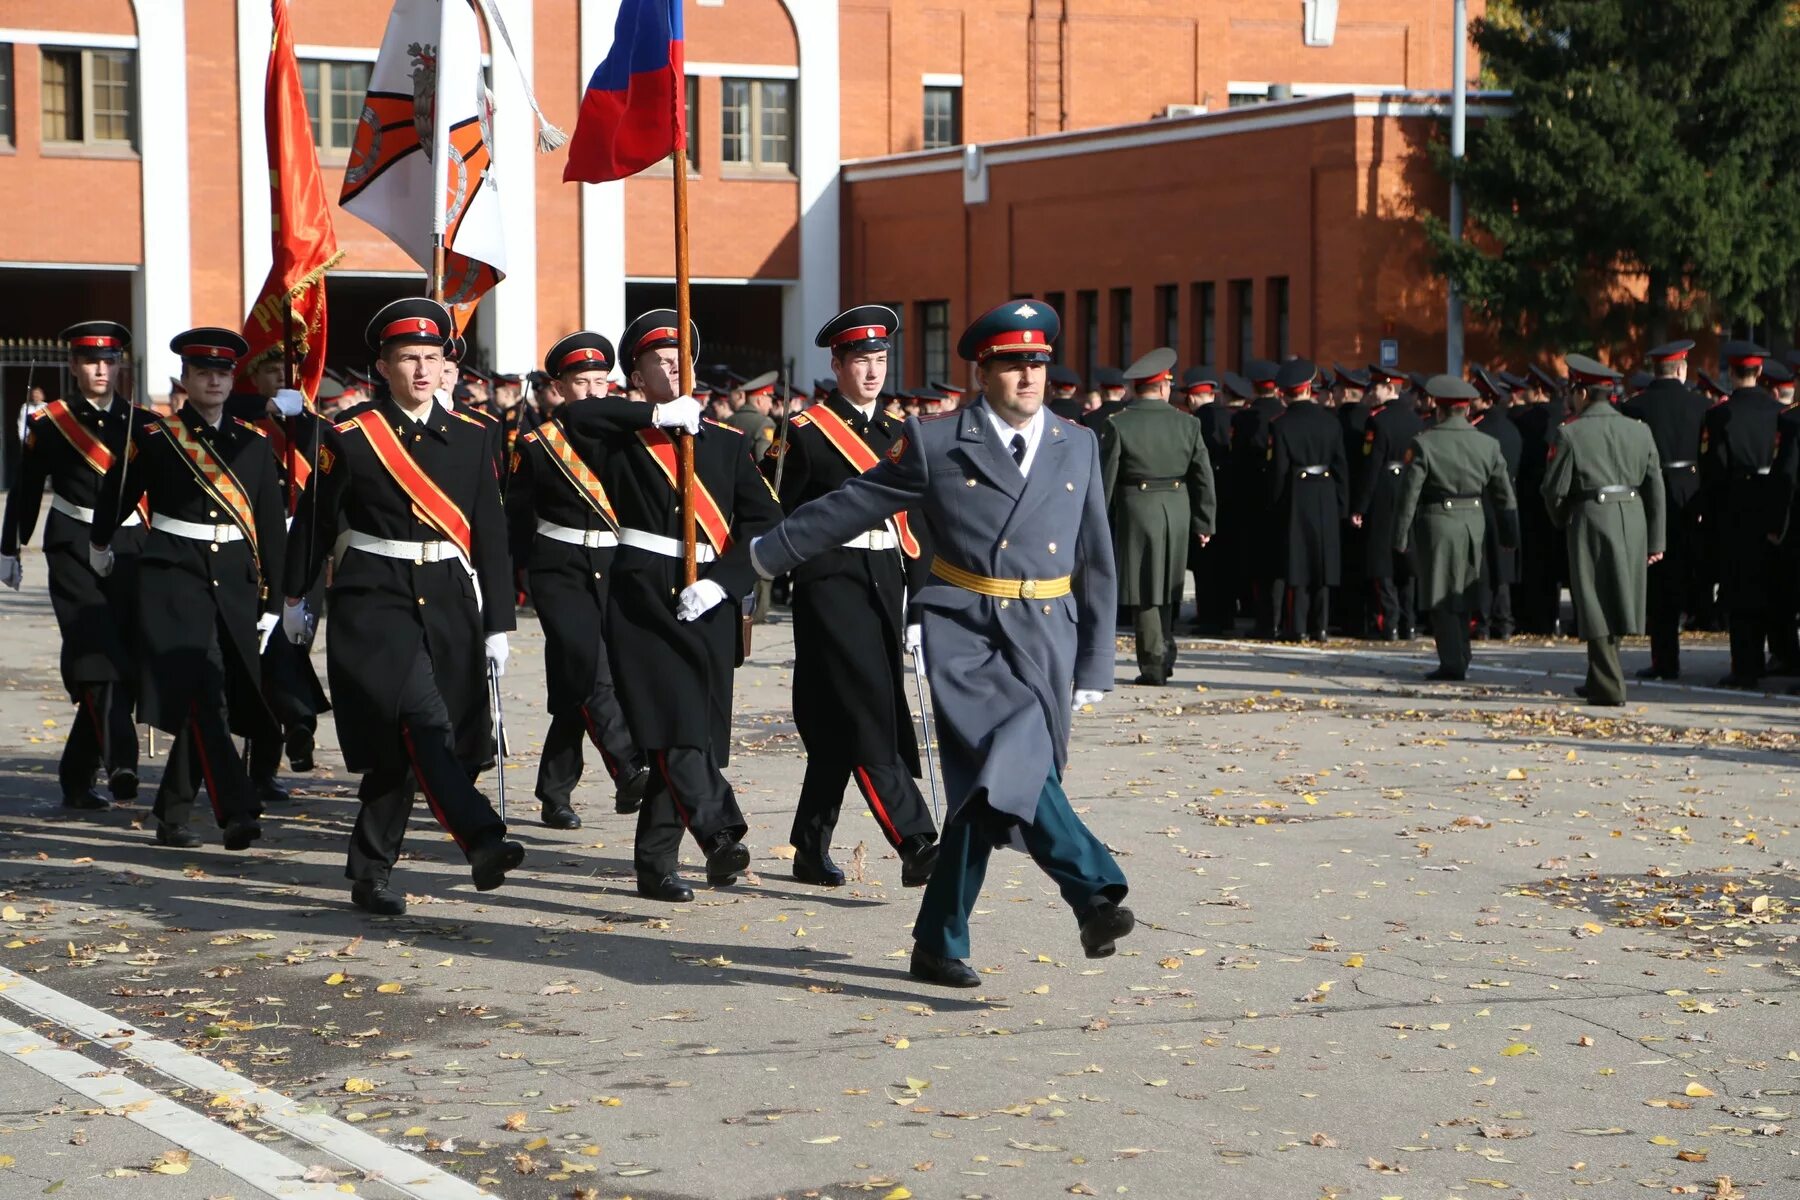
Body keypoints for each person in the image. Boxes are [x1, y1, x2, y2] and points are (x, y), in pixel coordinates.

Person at [750, 298, 1131, 989]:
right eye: (1012, 365)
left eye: (1037, 364)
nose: (1027, 378)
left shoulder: (1078, 443)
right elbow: (849, 503)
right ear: (981, 371)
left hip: (1046, 632)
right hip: (970, 632)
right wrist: (761, 556)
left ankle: (937, 939)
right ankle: (1094, 889)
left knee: (988, 795)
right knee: (1013, 758)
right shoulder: (935, 440)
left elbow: (1096, 555)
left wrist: (1096, 658)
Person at [283, 298, 524, 915]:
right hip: (374, 599)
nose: (422, 370)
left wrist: (499, 620)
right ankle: (483, 837)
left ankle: (369, 872)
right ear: (383, 367)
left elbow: (490, 532)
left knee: (407, 749)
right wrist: (291, 596)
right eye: (408, 358)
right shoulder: (350, 435)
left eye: (432, 358)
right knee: (423, 721)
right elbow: (313, 521)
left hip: (447, 599)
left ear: (448, 366)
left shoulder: (475, 435)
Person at [557, 310, 783, 902]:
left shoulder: (729, 444)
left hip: (707, 593)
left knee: (688, 733)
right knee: (673, 721)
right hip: (641, 594)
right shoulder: (623, 437)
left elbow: (766, 521)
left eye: (681, 358)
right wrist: (655, 415)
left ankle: (655, 864)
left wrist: (728, 581)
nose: (672, 368)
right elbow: (571, 413)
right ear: (635, 373)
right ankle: (720, 834)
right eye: (658, 361)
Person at [762, 305, 940, 888]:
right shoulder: (806, 433)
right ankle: (916, 839)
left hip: (885, 576)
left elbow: (919, 520)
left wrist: (923, 595)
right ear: (836, 364)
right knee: (868, 710)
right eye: (860, 360)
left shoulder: (899, 434)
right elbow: (774, 515)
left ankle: (810, 848)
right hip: (830, 582)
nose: (872, 371)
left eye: (880, 359)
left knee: (841, 721)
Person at [90, 330, 286, 848]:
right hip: (174, 576)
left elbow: (270, 525)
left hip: (238, 580)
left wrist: (276, 598)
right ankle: (236, 809)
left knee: (215, 695)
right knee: (204, 689)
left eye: (223, 373)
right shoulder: (157, 438)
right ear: (186, 380)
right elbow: (116, 492)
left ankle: (173, 812)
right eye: (204, 373)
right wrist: (99, 544)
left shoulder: (255, 441)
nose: (215, 381)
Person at [507, 331, 651, 829]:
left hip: (616, 564)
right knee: (588, 663)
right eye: (580, 382)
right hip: (559, 566)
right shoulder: (533, 442)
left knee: (578, 681)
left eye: (599, 382)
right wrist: (506, 584)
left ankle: (554, 791)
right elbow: (515, 517)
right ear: (558, 388)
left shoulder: (629, 438)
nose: (591, 392)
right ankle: (629, 766)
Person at [0, 321, 145, 810]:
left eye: (108, 360)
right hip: (72, 546)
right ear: (74, 366)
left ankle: (75, 775)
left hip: (129, 545)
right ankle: (121, 760)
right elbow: (24, 487)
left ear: (120, 365)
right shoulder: (51, 423)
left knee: (118, 656)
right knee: (94, 647)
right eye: (89, 361)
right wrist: (9, 546)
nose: (100, 369)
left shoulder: (140, 423)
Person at [228, 348, 331, 803]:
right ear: (254, 375)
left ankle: (268, 763)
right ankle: (298, 716)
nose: (281, 379)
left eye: (289, 372)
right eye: (271, 370)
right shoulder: (239, 422)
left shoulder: (310, 425)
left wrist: (300, 419)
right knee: (260, 658)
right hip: (252, 549)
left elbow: (325, 455)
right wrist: (265, 409)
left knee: (291, 646)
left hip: (302, 552)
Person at [1542, 355, 1665, 706]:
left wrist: (1562, 516)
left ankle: (1610, 686)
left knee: (1594, 598)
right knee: (1618, 596)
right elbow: (1655, 485)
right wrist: (1656, 538)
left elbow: (1554, 489)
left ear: (1581, 391)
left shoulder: (1571, 432)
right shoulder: (1639, 429)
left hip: (1592, 515)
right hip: (1633, 516)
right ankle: (1599, 677)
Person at [1099, 348, 1216, 683]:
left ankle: (1153, 662)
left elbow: (1107, 478)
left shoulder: (1118, 424)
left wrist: (1099, 521)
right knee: (1167, 584)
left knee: (1144, 588)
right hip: (1177, 507)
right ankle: (1164, 651)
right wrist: (1205, 521)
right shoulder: (1188, 423)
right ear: (1163, 387)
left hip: (1138, 506)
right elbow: (1203, 475)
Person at [1393, 375, 1517, 681]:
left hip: (1438, 521)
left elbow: (1409, 494)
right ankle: (1461, 652)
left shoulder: (1424, 443)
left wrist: (1400, 535)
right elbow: (1503, 495)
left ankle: (1453, 660)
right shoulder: (1487, 444)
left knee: (1441, 593)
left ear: (1438, 408)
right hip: (1474, 521)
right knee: (1465, 588)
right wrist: (1509, 534)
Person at [1619, 339, 1707, 679]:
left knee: (1660, 582)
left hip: (1649, 495)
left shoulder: (1635, 407)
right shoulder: (1700, 405)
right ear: (1681, 369)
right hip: (1690, 494)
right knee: (1689, 571)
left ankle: (1664, 659)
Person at [1700, 341, 1784, 688]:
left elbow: (1713, 467)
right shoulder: (1780, 411)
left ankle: (1745, 664)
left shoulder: (1719, 415)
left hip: (1736, 504)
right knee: (1772, 582)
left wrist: (1711, 511)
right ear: (1761, 373)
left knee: (1738, 586)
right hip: (1772, 500)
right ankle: (1778, 654)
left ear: (1731, 373)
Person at [1265, 358, 1348, 642]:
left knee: (1297, 563)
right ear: (1309, 389)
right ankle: (1320, 627)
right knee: (1322, 563)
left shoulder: (1281, 425)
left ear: (1285, 392)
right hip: (1324, 493)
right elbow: (1340, 467)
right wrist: (1341, 503)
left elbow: (1278, 472)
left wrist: (1274, 505)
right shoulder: (1330, 421)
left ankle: (1297, 627)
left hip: (1297, 495)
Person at [1352, 364, 1422, 640]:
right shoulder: (1416, 420)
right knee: (1406, 558)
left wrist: (1360, 506)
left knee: (1383, 560)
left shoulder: (1377, 421)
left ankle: (1389, 622)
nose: (1373, 392)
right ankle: (1409, 622)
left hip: (1384, 491)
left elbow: (1371, 467)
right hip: (1410, 488)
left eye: (1377, 387)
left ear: (1390, 388)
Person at [1512, 365, 1569, 634]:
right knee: (1560, 559)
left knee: (1537, 564)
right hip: (1562, 497)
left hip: (1532, 498)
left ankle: (1540, 621)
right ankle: (1558, 618)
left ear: (1538, 391)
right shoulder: (1567, 417)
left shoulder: (1526, 420)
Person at [1470, 368, 1523, 640]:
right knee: (1502, 565)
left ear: (1487, 399)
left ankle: (1481, 621)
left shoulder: (1477, 430)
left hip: (1483, 502)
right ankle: (1504, 621)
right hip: (1507, 502)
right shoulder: (1511, 429)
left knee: (1482, 567)